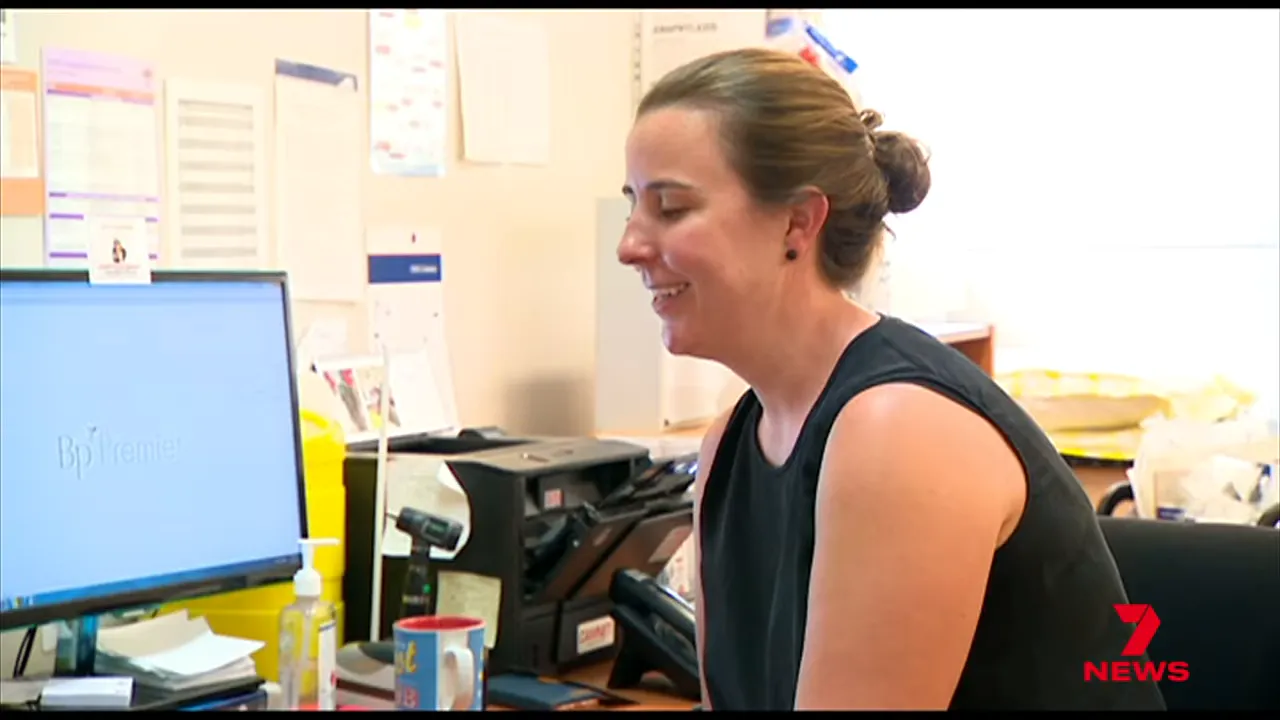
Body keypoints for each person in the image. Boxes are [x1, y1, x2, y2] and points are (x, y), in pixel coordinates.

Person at [616, 47, 1167, 711]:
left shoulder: (898, 432)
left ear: (797, 221)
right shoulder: (732, 439)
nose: (630, 245)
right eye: (633, 207)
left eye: (671, 208)